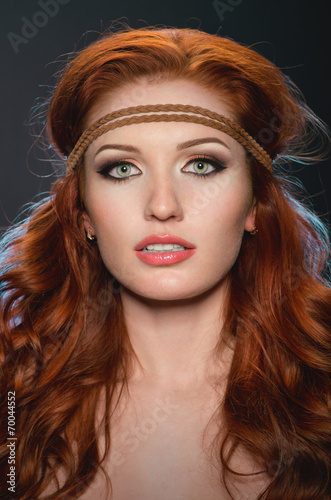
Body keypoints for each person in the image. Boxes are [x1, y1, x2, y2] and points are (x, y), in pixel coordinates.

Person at [0, 26, 330, 500]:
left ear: (255, 203)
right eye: (121, 169)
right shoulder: (13, 396)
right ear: (83, 212)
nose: (161, 206)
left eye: (202, 165)